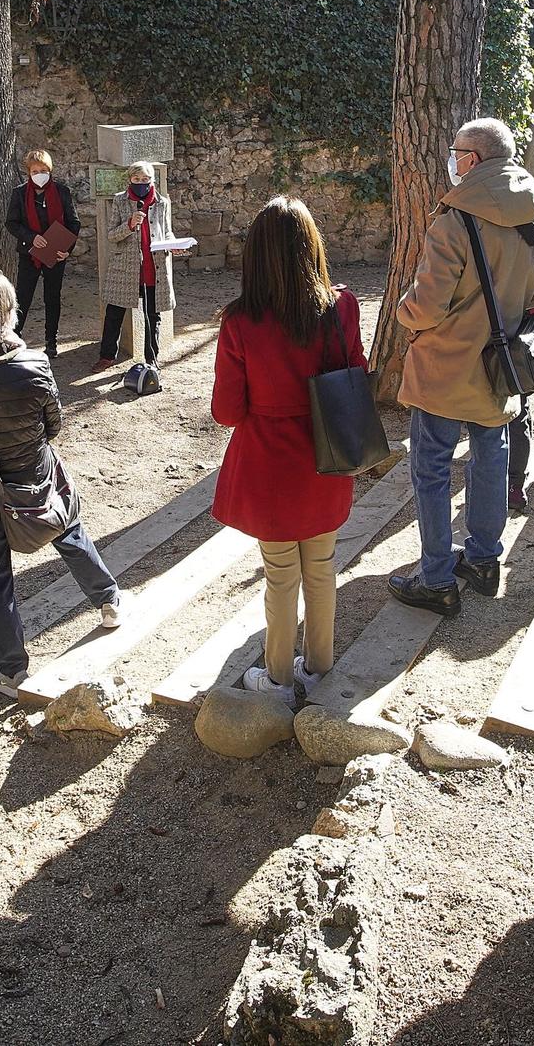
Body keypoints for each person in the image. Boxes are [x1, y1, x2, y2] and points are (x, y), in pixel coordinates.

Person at [387, 118, 534, 616]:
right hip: (501, 362)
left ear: (472, 159)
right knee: (491, 458)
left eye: (455, 152)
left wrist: (404, 314)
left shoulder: (453, 220)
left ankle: (437, 577)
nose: (451, 160)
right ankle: (484, 561)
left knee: (432, 467)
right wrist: (506, 308)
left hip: (444, 364)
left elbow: (426, 305)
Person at [0, 270, 124, 700]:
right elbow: (52, 426)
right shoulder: (34, 364)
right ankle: (108, 600)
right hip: (34, 481)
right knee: (69, 531)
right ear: (8, 312)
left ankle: (11, 668)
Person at [212, 198, 360, 705]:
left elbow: (227, 412)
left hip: (270, 465)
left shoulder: (239, 322)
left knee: (280, 578)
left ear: (254, 255)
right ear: (312, 246)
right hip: (328, 457)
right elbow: (354, 372)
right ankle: (319, 667)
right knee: (322, 568)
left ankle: (276, 677)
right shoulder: (341, 307)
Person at [97, 160, 183, 391]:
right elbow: (112, 235)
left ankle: (150, 359)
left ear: (152, 180)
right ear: (130, 180)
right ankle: (107, 356)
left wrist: (173, 244)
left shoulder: (162, 203)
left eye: (146, 180)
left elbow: (166, 231)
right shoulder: (120, 200)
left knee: (152, 315)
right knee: (115, 311)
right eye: (137, 179)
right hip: (126, 268)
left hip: (153, 267)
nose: (141, 184)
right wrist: (129, 223)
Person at [4, 149, 81, 358]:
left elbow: (73, 223)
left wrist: (66, 250)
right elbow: (11, 223)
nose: (40, 174)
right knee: (23, 297)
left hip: (55, 255)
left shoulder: (62, 192)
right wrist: (31, 237)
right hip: (29, 254)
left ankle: (51, 341)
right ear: (29, 172)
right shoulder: (19, 193)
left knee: (52, 297)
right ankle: (14, 338)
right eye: (35, 170)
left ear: (50, 170)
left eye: (44, 170)